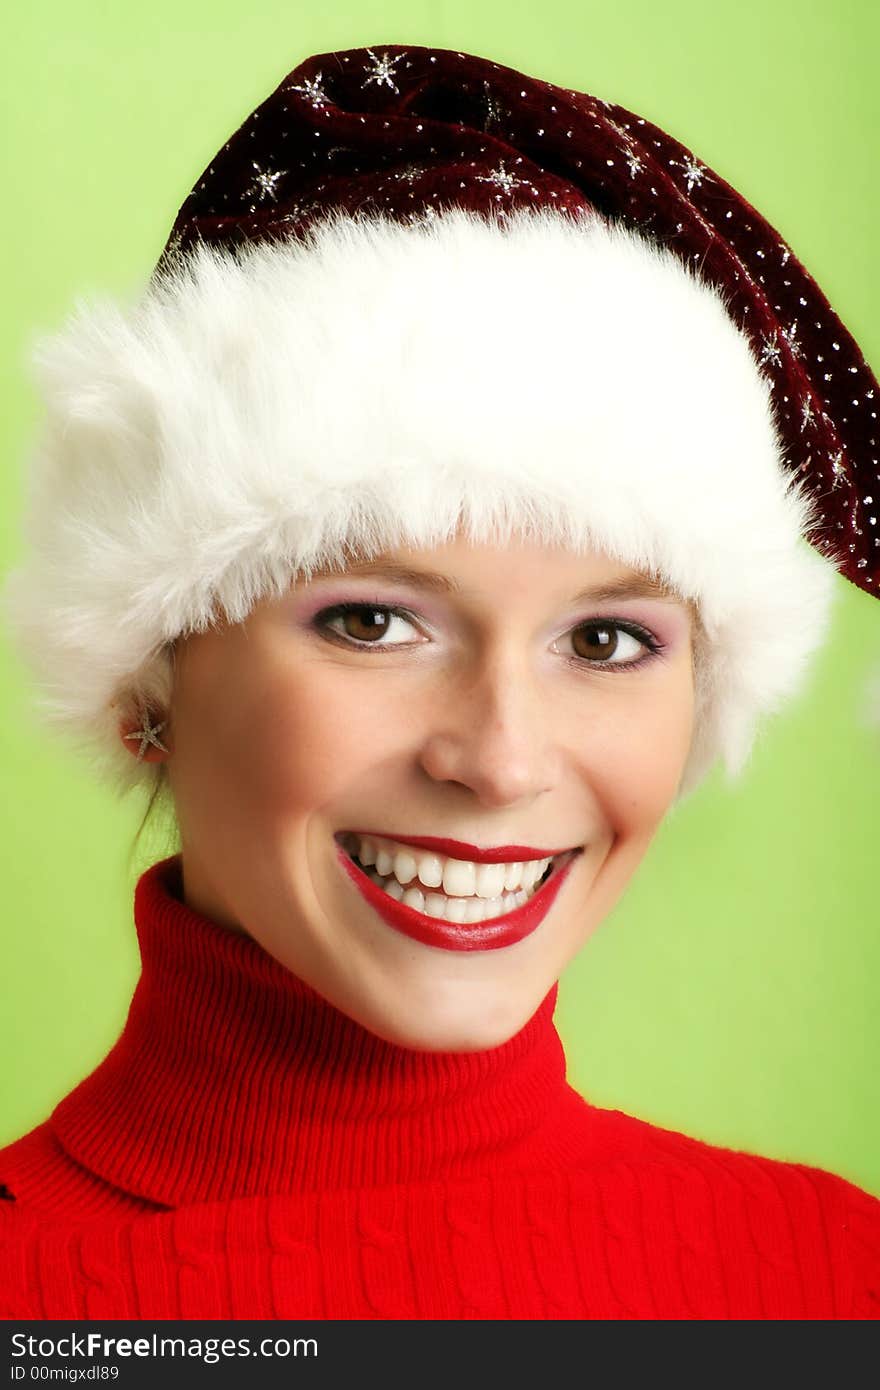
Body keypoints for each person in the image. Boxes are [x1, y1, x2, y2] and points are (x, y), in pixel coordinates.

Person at [1, 42, 878, 1320]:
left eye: (606, 640)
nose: (503, 756)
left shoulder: (822, 1277)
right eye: (369, 620)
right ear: (149, 675)